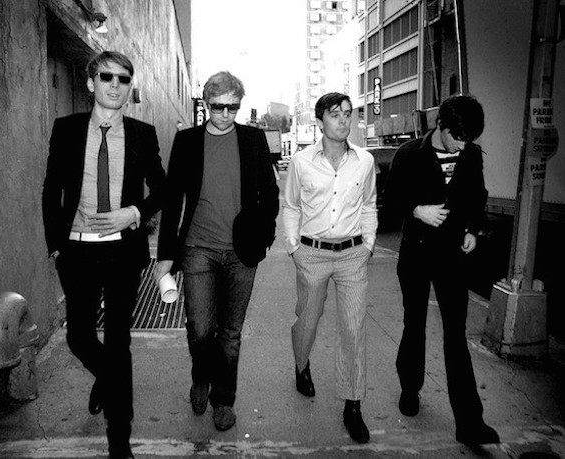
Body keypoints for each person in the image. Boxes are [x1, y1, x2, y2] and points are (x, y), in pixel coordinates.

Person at [42, 51, 166, 458]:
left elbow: (163, 189)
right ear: (91, 81)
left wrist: (134, 213)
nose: (116, 85)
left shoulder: (143, 134)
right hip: (76, 251)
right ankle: (107, 379)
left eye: (124, 79)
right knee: (78, 337)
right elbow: (51, 189)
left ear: (130, 88)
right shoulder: (66, 129)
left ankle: (119, 438)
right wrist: (56, 244)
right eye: (107, 77)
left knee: (118, 343)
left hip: (122, 253)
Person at [153, 71, 279, 431]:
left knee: (231, 333)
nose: (225, 114)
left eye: (232, 107)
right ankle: (201, 375)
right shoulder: (187, 141)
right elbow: (172, 200)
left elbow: (270, 194)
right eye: (218, 106)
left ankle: (224, 400)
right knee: (200, 329)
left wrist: (265, 236)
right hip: (198, 249)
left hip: (242, 252)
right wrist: (165, 256)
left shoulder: (253, 139)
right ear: (206, 104)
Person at [383, 95, 500, 445]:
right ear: (441, 126)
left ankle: (469, 422)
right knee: (414, 324)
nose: (463, 146)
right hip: (416, 253)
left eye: (469, 140)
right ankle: (410, 387)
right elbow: (391, 199)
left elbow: (477, 196)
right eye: (458, 138)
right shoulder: (409, 154)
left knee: (456, 336)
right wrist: (416, 210)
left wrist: (472, 230)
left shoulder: (471, 154)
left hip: (452, 257)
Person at [282, 92, 377, 443]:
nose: (343, 120)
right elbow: (291, 206)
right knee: (307, 320)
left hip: (352, 255)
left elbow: (369, 204)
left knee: (353, 328)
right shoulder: (301, 162)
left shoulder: (364, 161)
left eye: (348, 114)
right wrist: (293, 247)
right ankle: (301, 363)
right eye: (335, 114)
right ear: (319, 120)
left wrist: (368, 244)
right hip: (312, 254)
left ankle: (353, 405)